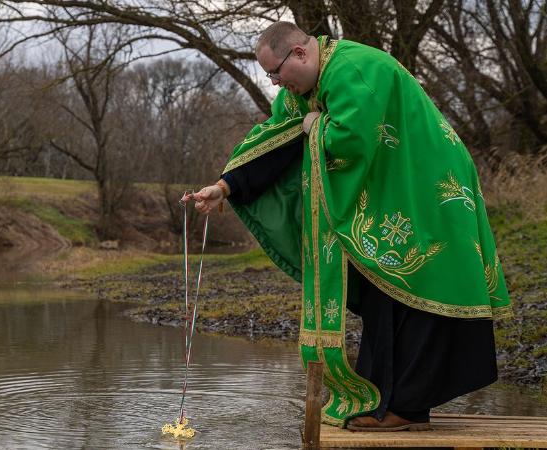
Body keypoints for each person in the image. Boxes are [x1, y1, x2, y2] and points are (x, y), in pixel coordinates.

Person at [186, 21, 512, 431]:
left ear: (300, 54)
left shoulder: (354, 69)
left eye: (276, 73)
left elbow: (350, 139)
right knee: (382, 289)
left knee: (420, 283)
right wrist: (224, 187)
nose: (275, 84)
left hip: (428, 187)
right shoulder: (307, 89)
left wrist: (313, 126)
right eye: (268, 76)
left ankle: (406, 408)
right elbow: (276, 137)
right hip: (393, 192)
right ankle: (382, 399)